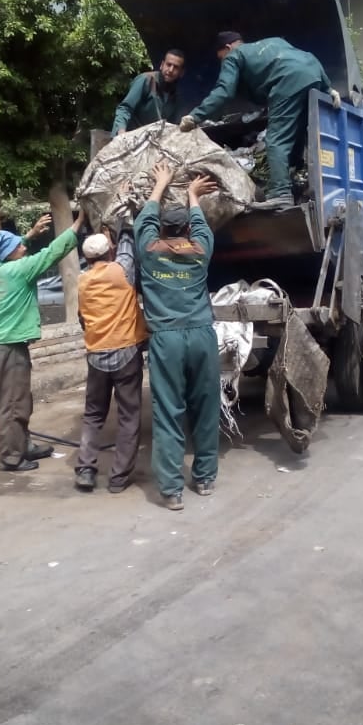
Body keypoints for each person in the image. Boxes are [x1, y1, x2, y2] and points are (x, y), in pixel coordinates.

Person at [133, 163, 221, 511]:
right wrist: (193, 195)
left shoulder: (148, 251)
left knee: (167, 411)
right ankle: (205, 477)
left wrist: (160, 184)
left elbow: (143, 222)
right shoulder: (200, 251)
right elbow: (201, 225)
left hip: (166, 339)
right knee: (206, 406)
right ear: (185, 227)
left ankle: (171, 491)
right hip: (201, 335)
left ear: (161, 230)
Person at [180, 32, 341, 204]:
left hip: (288, 81)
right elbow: (304, 58)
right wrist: (327, 87)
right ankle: (296, 178)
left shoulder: (234, 55)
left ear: (228, 47)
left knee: (275, 140)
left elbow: (224, 92)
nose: (223, 62)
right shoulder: (275, 42)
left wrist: (195, 116)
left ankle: (280, 193)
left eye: (221, 58)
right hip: (313, 72)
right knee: (295, 135)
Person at [0, 210, 86, 472]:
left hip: (1, 342)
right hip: (7, 346)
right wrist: (78, 224)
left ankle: (23, 445)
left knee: (20, 398)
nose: (23, 247)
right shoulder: (20, 270)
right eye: (19, 246)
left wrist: (29, 235)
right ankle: (11, 457)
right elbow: (52, 252)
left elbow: (14, 249)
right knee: (11, 403)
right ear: (11, 253)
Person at [74, 229, 148, 494]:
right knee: (129, 416)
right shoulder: (121, 271)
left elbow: (82, 318)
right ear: (110, 251)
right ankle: (118, 478)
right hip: (126, 353)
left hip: (96, 355)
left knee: (94, 415)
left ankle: (85, 469)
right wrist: (124, 227)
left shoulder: (82, 281)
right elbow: (128, 246)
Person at [111, 49, 186, 136]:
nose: (170, 70)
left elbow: (171, 125)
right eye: (168, 65)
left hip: (151, 142)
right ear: (162, 65)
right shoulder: (146, 80)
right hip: (130, 137)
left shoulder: (175, 96)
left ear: (181, 73)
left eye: (176, 67)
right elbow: (125, 108)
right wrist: (121, 132)